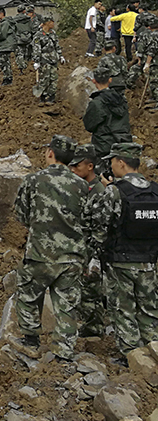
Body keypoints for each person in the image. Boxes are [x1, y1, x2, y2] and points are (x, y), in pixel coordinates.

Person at [11, 135, 88, 361]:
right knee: (66, 303)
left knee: (27, 293)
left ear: (50, 153)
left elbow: (21, 214)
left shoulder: (33, 180)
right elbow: (89, 220)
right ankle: (64, 352)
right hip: (72, 255)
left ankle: (31, 340)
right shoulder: (82, 185)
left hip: (40, 253)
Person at [98, 142, 158, 356]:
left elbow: (100, 225)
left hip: (120, 261)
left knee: (124, 310)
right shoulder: (155, 191)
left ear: (121, 163)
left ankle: (131, 356)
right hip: (149, 261)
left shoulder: (115, 191)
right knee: (150, 309)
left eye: (112, 161)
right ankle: (153, 351)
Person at [68, 144, 107, 338]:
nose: (73, 170)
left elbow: (100, 228)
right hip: (80, 248)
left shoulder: (98, 191)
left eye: (77, 166)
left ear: (90, 166)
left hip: (91, 251)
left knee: (91, 293)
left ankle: (94, 330)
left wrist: (95, 257)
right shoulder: (81, 188)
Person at [82, 65, 131, 162]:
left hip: (104, 149)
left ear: (94, 81)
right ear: (110, 80)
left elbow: (89, 126)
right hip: (124, 146)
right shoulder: (122, 100)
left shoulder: (96, 103)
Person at [32, 15, 64, 105]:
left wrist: (60, 56)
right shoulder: (38, 35)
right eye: (51, 22)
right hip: (44, 60)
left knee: (53, 78)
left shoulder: (53, 34)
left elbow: (56, 46)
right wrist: (37, 61)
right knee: (44, 79)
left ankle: (51, 96)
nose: (53, 24)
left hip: (53, 59)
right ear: (47, 23)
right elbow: (36, 49)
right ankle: (42, 97)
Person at [0, 8, 16, 85]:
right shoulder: (5, 22)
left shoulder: (5, 23)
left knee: (4, 62)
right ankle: (7, 78)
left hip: (5, 45)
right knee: (5, 62)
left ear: (1, 14)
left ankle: (7, 78)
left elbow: (3, 35)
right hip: (6, 45)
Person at [12, 5, 34, 73]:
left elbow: (13, 30)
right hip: (28, 38)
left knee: (20, 54)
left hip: (19, 39)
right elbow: (32, 28)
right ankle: (29, 68)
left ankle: (22, 68)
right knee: (28, 54)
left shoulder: (14, 20)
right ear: (24, 11)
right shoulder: (28, 19)